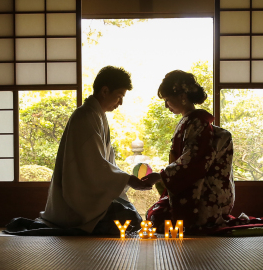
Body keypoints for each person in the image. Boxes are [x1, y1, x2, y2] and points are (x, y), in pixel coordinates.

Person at [9, 66, 155, 236]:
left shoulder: (95, 115)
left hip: (89, 198)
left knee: (131, 218)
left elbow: (104, 164)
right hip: (77, 205)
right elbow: (94, 166)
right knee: (128, 220)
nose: (120, 103)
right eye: (119, 96)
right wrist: (127, 179)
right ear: (105, 91)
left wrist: (124, 180)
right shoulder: (85, 116)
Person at [143, 70, 235, 234]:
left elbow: (193, 160)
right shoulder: (191, 120)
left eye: (167, 100)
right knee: (154, 216)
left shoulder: (197, 121)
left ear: (182, 96)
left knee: (157, 219)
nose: (166, 105)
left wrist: (161, 175)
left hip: (204, 196)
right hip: (194, 188)